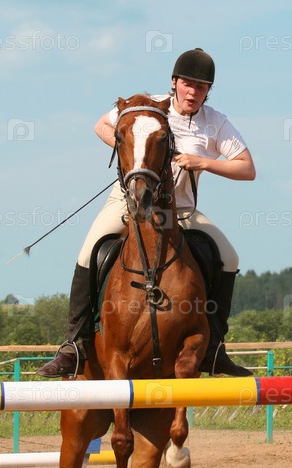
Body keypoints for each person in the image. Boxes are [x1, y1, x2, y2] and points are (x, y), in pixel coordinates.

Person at [37, 48, 256, 378]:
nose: (193, 92)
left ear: (208, 91)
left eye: (201, 87)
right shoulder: (148, 106)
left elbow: (247, 169)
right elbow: (101, 125)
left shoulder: (215, 123)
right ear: (174, 82)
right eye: (188, 84)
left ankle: (214, 348)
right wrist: (128, 150)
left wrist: (203, 162)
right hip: (128, 203)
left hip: (180, 211)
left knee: (230, 257)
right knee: (88, 251)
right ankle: (74, 346)